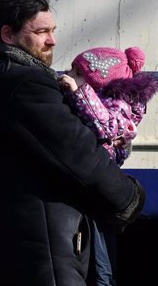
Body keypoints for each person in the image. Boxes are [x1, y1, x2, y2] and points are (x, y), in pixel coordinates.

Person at [0, 0, 146, 286]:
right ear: (8, 34)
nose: (53, 40)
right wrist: (130, 199)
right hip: (43, 251)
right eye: (41, 32)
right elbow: (79, 154)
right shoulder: (25, 84)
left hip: (24, 247)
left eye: (53, 30)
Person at [58, 46, 158, 285]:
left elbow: (106, 128)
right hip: (94, 181)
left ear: (99, 81)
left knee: (99, 252)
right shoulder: (100, 98)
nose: (71, 75)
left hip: (98, 184)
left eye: (78, 72)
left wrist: (78, 92)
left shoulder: (117, 103)